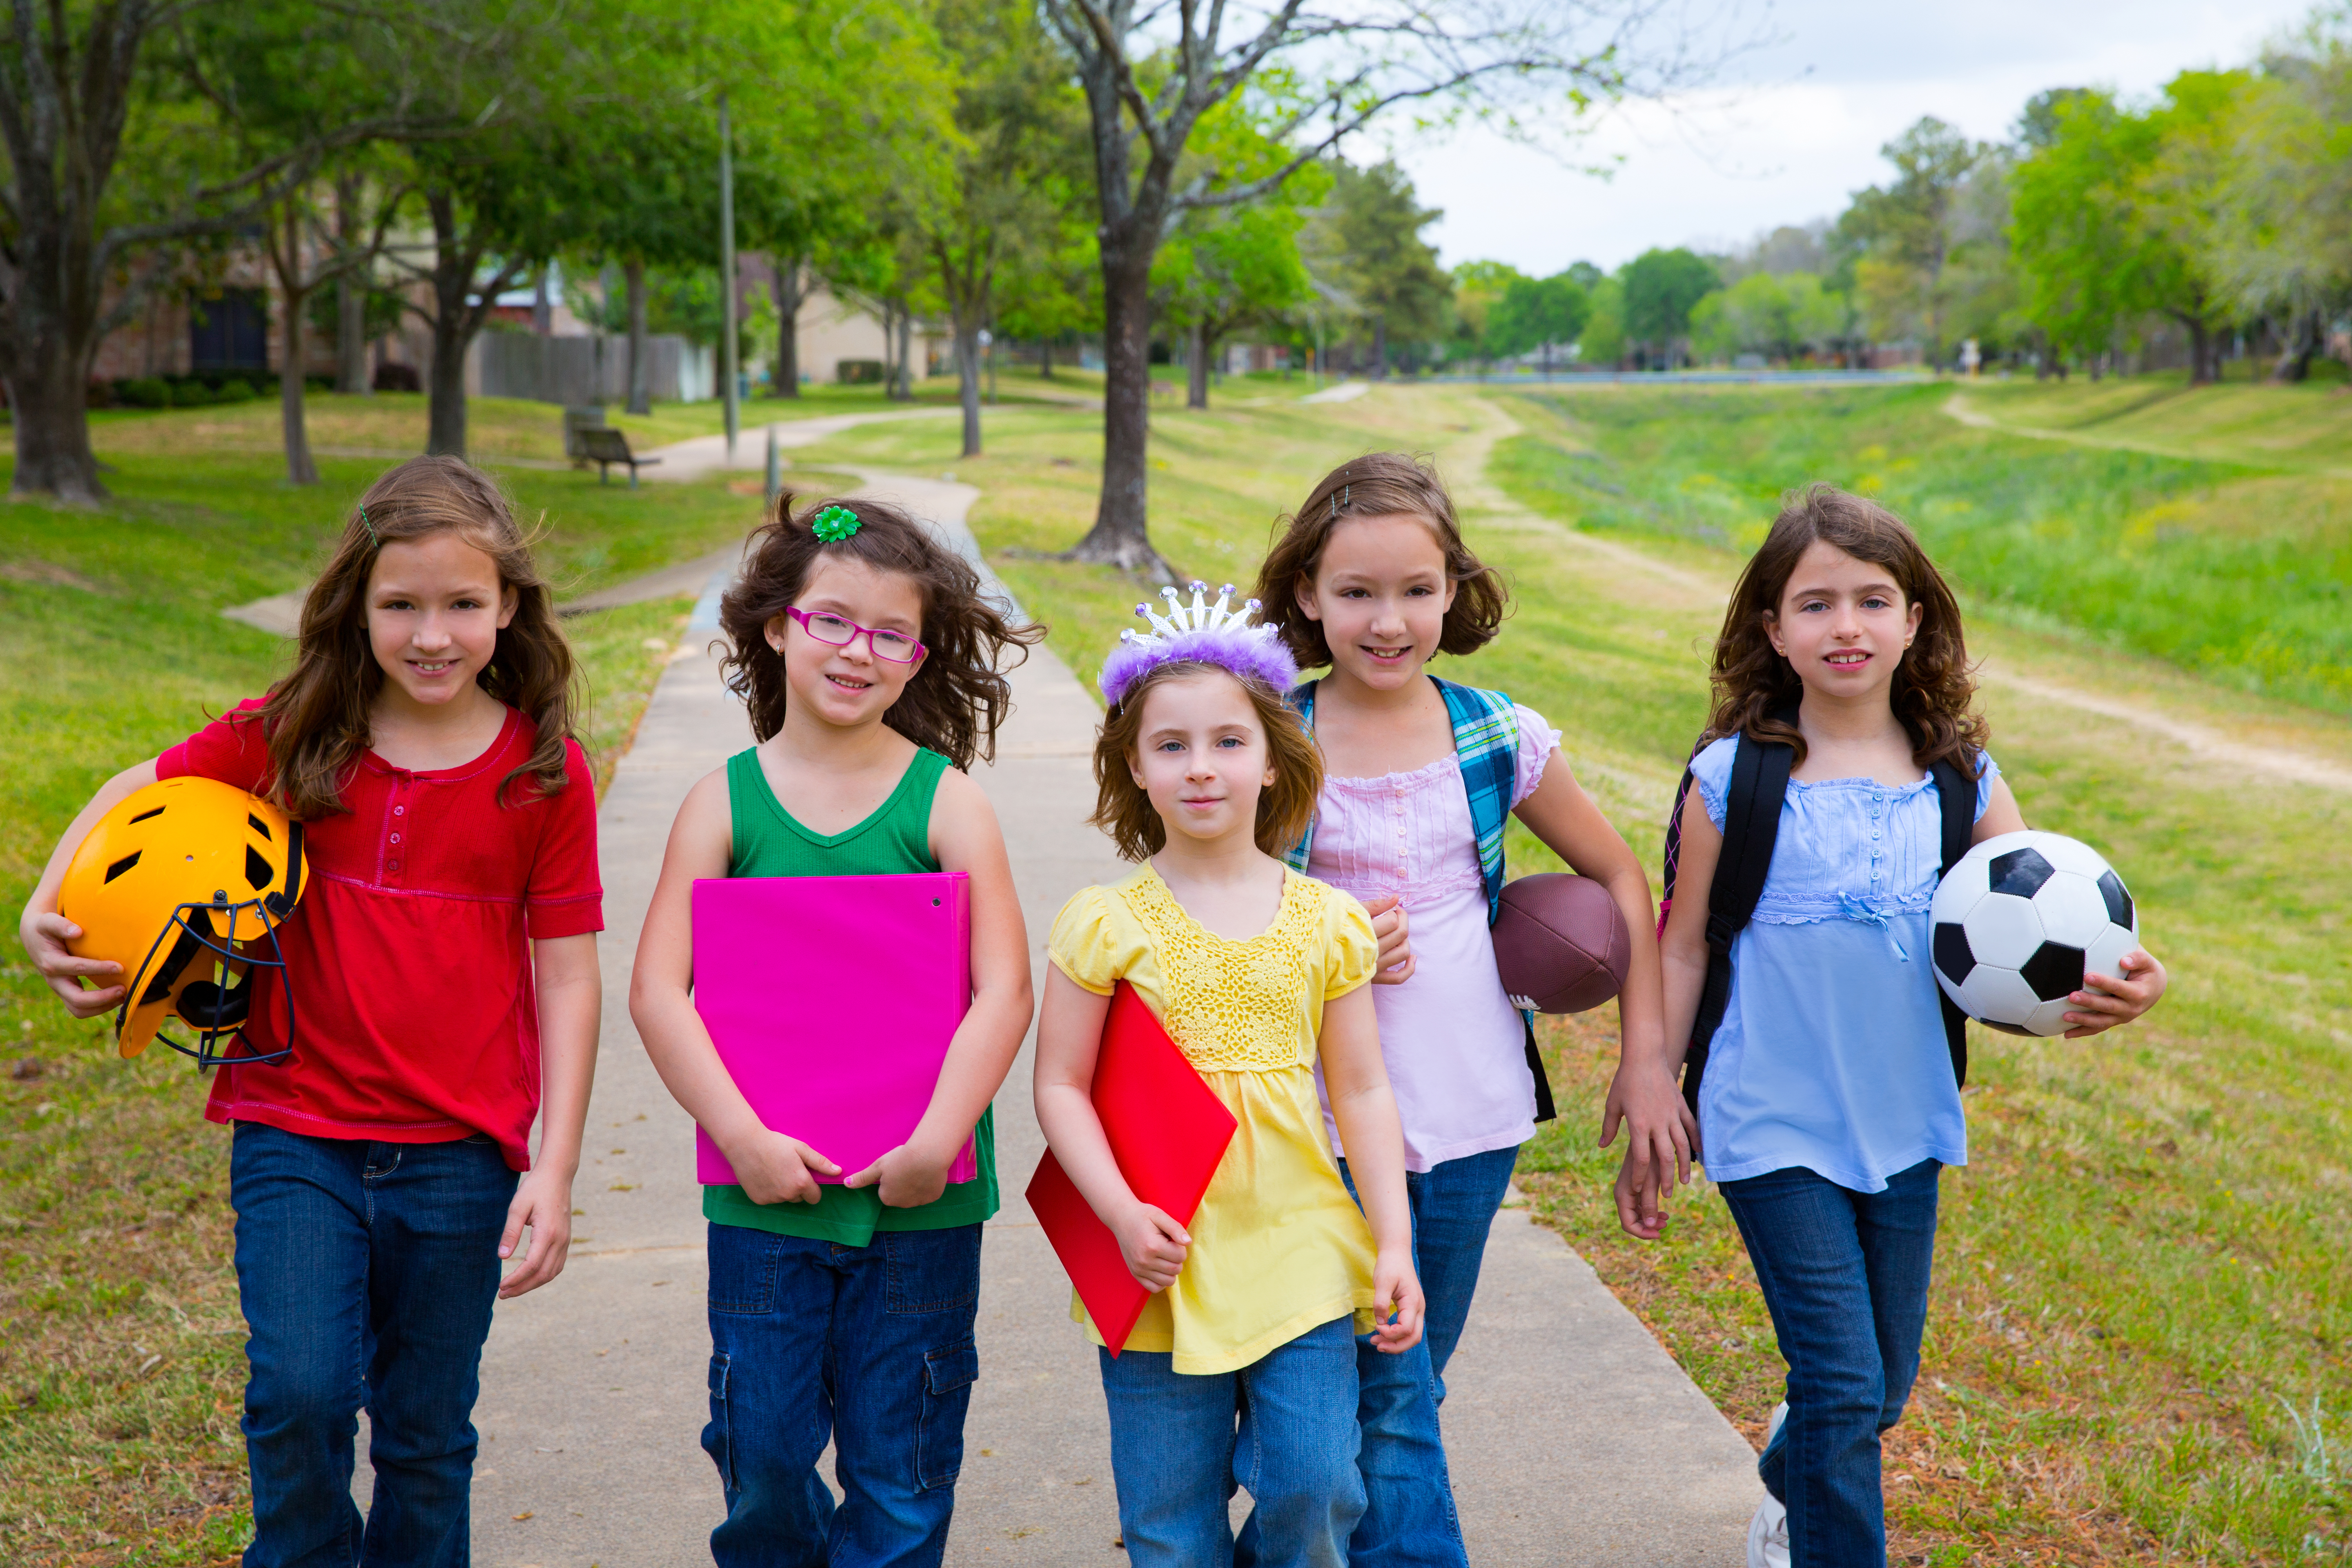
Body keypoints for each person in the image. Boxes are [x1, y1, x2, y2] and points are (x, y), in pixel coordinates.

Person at [18, 456, 605, 1568]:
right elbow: (135, 788)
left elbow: (568, 978)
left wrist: (555, 1166)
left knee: (428, 1435)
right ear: (359, 606)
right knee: (301, 1393)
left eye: (463, 605)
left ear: (510, 607)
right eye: (402, 606)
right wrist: (44, 901)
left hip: (462, 1151)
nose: (432, 634)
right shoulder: (297, 731)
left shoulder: (544, 772)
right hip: (298, 1129)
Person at [1630, 485, 2168, 1568]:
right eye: (1816, 604)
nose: (1847, 626)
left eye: (1873, 600)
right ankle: (1823, 1511)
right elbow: (1683, 943)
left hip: (1907, 1121)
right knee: (1840, 1378)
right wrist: (1650, 1075)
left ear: (1915, 618)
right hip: (1770, 1115)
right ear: (1772, 630)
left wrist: (2123, 990)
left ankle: (1800, 1472)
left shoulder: (1963, 784)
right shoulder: (1734, 778)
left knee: (1879, 1387)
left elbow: (2049, 935)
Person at [1249, 452, 1686, 1564]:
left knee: (1406, 1376)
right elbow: (1204, 909)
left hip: (1471, 1110)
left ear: (1454, 590)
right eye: (1356, 593)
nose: (1388, 620)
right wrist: (1323, 931)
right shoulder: (1268, 735)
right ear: (1306, 593)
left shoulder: (1495, 733)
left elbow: (1625, 882)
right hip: (1306, 1117)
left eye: (1415, 590)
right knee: (1364, 1399)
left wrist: (1646, 1061)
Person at [628, 495, 1039, 1568]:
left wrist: (937, 1143)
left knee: (902, 1466)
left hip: (921, 1206)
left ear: (918, 658)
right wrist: (746, 1139)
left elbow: (1004, 993)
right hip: (767, 1202)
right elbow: (659, 992)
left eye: (891, 634)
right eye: (833, 621)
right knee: (761, 1455)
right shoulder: (723, 806)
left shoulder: (946, 806)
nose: (860, 651)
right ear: (777, 628)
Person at [1033, 585, 1426, 1568]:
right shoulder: (1104, 920)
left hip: (1299, 1247)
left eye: (1227, 742)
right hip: (1157, 1257)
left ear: (1273, 758)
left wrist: (1393, 1241)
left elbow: (1364, 1090)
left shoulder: (1327, 920)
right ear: (1135, 765)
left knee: (1315, 1482)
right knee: (1169, 1521)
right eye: (1171, 746)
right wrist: (1122, 1214)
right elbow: (1061, 1086)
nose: (1201, 768)